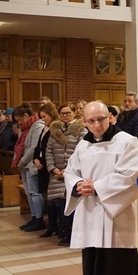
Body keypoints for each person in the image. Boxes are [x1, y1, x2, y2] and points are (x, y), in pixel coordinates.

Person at [64, 101, 138, 275]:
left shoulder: (126, 141)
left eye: (100, 119)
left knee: (117, 273)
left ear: (110, 118)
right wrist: (78, 185)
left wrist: (98, 187)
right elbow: (71, 172)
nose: (96, 125)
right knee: (93, 270)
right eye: (90, 121)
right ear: (84, 122)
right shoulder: (83, 144)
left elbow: (133, 176)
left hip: (115, 217)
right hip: (91, 215)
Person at [45, 103, 86, 245]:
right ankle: (62, 232)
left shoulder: (81, 131)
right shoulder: (55, 130)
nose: (65, 116)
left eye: (68, 113)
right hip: (56, 174)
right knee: (56, 203)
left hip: (72, 173)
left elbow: (82, 152)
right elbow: (48, 151)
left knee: (69, 204)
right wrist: (52, 168)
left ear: (74, 113)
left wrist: (68, 170)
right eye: (62, 113)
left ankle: (70, 234)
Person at [13, 104, 46, 232]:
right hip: (24, 164)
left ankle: (39, 219)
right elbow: (20, 145)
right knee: (28, 192)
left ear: (26, 115)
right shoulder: (25, 127)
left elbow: (33, 147)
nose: (19, 122)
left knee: (34, 192)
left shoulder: (37, 125)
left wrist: (21, 161)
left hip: (31, 163)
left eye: (20, 119)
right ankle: (33, 217)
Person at [34, 103, 59, 219]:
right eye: (41, 117)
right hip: (40, 164)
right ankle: (49, 221)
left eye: (44, 117)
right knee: (44, 193)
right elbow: (39, 146)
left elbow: (51, 149)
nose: (43, 120)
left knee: (51, 197)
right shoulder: (44, 128)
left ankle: (53, 222)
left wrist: (43, 162)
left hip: (48, 166)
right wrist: (35, 159)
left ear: (51, 114)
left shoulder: (56, 127)